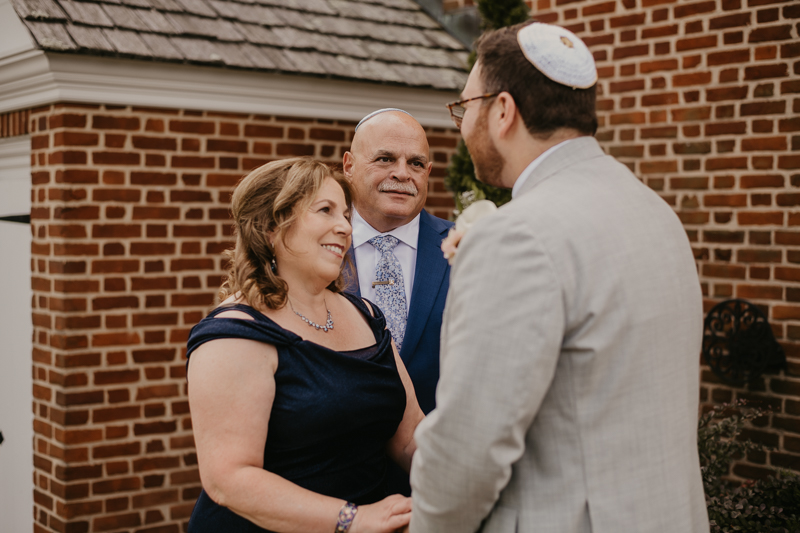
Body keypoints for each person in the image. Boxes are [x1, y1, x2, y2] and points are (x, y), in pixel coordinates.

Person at [409, 22, 709, 533]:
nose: (461, 127)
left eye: (465, 108)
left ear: (502, 111)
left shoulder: (517, 237)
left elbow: (468, 451)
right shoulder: (655, 212)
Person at [185, 157, 424, 533]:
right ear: (270, 228)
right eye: (325, 210)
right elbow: (229, 479)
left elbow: (410, 439)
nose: (345, 227)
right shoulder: (234, 334)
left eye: (345, 214)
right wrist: (354, 519)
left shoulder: (366, 315)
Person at [342, 108, 453, 418]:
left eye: (415, 163)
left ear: (428, 172)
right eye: (385, 159)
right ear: (349, 166)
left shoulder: (469, 247)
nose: (402, 173)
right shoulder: (312, 248)